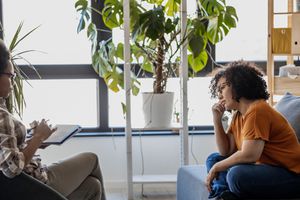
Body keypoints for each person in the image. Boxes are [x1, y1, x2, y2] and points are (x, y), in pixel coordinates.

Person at [0, 38, 106, 200]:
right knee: (92, 158)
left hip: (30, 180)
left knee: (92, 187)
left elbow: (6, 156)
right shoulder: (1, 114)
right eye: (11, 76)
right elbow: (11, 168)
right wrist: (38, 138)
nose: (13, 83)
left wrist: (33, 142)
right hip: (35, 185)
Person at [206, 60, 300, 199]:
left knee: (235, 175)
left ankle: (225, 195)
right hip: (264, 168)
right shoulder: (239, 114)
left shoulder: (257, 110)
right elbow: (226, 151)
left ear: (238, 86)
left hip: (290, 175)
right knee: (213, 159)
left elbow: (250, 155)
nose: (219, 95)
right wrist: (216, 119)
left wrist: (216, 168)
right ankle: (224, 195)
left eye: (223, 87)